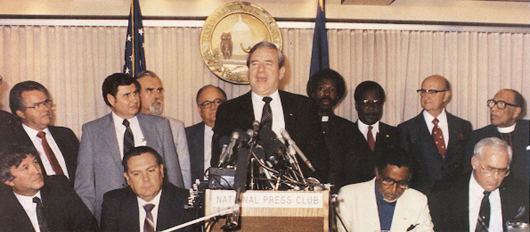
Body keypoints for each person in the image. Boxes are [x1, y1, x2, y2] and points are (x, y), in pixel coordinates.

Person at [211, 41, 329, 181]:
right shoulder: (229, 110)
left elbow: (318, 159)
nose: (261, 70)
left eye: (268, 63)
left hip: (295, 192)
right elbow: (219, 163)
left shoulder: (304, 107)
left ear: (281, 72)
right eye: (255, 64)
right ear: (248, 71)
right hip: (247, 194)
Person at [75, 73, 183, 221]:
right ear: (111, 99)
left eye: (135, 93)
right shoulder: (92, 131)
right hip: (112, 215)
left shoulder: (160, 125)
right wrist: (87, 223)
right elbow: (84, 186)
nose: (134, 100)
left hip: (156, 210)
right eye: (127, 95)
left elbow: (173, 175)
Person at [429, 137, 529, 232]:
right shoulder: (445, 193)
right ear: (475, 163)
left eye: (502, 171)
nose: (496, 177)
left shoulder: (519, 192)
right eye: (490, 169)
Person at [398, 75, 472, 194]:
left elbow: (467, 165)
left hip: (456, 197)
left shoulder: (463, 126)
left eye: (432, 92)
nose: (425, 97)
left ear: (446, 95)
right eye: (423, 92)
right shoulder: (407, 129)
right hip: (422, 197)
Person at [0, 145, 97, 232]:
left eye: (35, 162)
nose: (36, 171)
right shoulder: (4, 209)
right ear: (9, 181)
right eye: (25, 168)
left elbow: (87, 227)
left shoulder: (59, 187)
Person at [336, 147, 434, 232]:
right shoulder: (349, 196)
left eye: (402, 183)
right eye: (388, 181)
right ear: (377, 173)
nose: (394, 190)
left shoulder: (418, 200)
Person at [100, 146, 191, 232]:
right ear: (127, 178)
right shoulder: (113, 202)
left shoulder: (185, 200)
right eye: (136, 174)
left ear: (161, 171)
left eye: (150, 171)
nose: (146, 179)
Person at [8, 81, 79, 184]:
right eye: (37, 105)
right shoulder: (13, 143)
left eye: (46, 102)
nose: (46, 108)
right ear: (21, 113)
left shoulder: (66, 135)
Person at [336, 81, 401, 190]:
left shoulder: (395, 134)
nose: (371, 108)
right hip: (354, 198)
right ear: (356, 105)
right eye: (366, 102)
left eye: (376, 102)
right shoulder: (342, 135)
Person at [135, 70, 192, 189]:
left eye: (159, 90)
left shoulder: (175, 126)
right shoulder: (128, 124)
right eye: (149, 90)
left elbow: (183, 170)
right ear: (137, 95)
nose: (157, 96)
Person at [464, 89, 529, 185]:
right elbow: (469, 173)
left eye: (501, 104)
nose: (493, 109)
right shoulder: (478, 136)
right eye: (493, 103)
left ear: (516, 112)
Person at [306, 69, 355, 186]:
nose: (327, 94)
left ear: (338, 96)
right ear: (313, 92)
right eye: (322, 89)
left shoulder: (349, 129)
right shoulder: (301, 125)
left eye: (332, 90)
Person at [185, 85, 227, 183]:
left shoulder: (238, 135)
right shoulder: (187, 136)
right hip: (198, 192)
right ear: (199, 110)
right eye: (207, 103)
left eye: (218, 102)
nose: (213, 107)